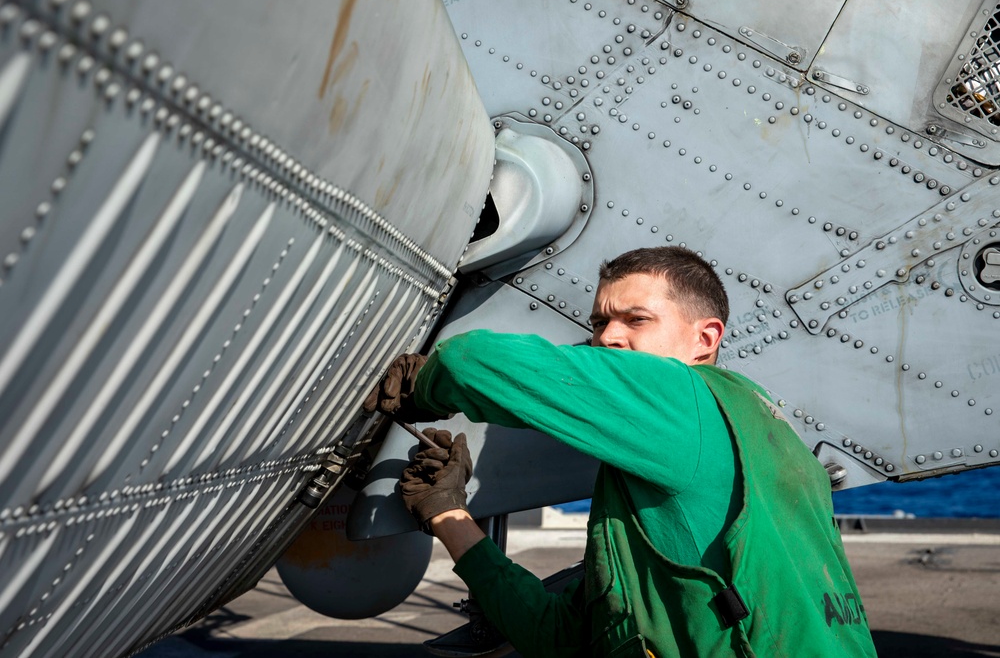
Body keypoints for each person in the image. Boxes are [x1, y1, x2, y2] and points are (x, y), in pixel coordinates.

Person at [365, 246, 877, 657]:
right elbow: (561, 636)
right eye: (599, 323)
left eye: (636, 320)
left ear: (705, 339)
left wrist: (422, 385)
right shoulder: (763, 439)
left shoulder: (686, 395)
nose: (608, 337)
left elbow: (470, 361)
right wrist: (446, 512)